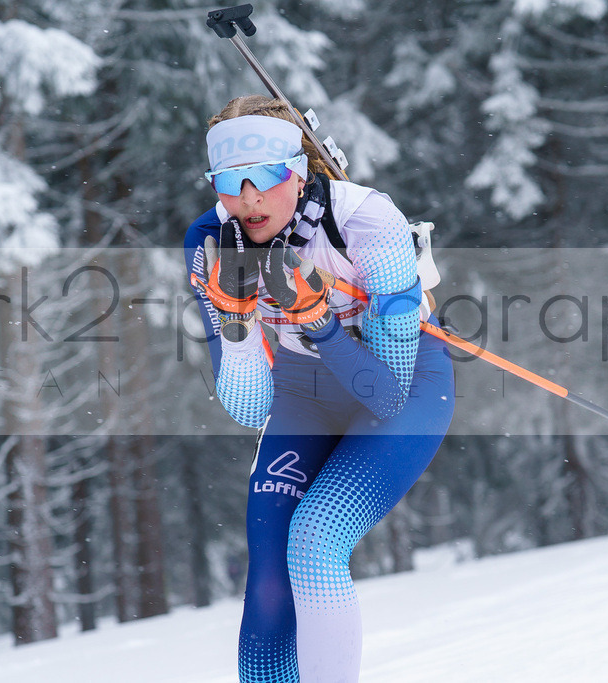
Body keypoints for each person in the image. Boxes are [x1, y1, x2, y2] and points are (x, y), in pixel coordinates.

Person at [184, 95, 455, 682]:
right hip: (304, 391)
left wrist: (320, 324)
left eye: (266, 176)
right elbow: (251, 407)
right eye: (229, 181)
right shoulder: (210, 239)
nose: (248, 198)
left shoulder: (367, 222)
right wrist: (236, 325)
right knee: (269, 578)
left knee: (316, 539)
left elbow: (385, 395)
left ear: (299, 170)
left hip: (404, 385)